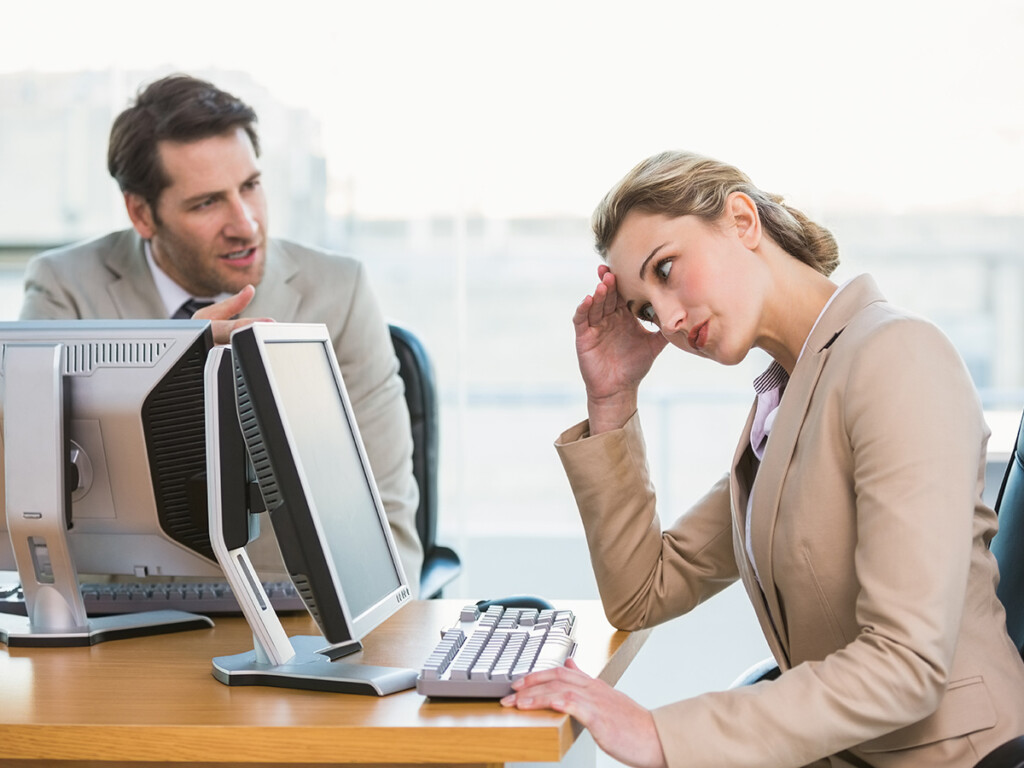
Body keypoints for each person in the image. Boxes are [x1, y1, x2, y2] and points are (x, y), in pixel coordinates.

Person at [501, 151, 1024, 767]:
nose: (666, 320)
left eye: (666, 269)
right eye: (644, 308)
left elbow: (905, 665)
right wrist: (611, 400)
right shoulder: (789, 401)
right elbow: (643, 592)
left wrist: (660, 733)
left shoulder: (895, 357)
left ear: (743, 221)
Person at [19, 74, 423, 591]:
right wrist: (173, 364)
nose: (246, 224)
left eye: (251, 186)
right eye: (207, 203)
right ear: (142, 214)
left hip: (294, 611)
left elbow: (385, 519)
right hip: (126, 616)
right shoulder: (65, 288)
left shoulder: (338, 292)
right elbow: (28, 491)